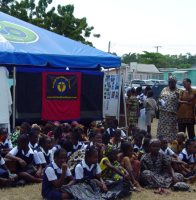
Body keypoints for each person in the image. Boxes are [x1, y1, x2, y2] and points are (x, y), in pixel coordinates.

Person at [157, 77, 181, 142]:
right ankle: (161, 139)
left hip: (172, 114)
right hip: (163, 113)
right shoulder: (164, 89)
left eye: (172, 82)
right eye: (169, 82)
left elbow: (180, 102)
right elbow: (160, 97)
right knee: (162, 127)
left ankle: (171, 140)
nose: (170, 83)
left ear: (175, 83)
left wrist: (177, 110)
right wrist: (159, 101)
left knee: (171, 128)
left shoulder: (178, 91)